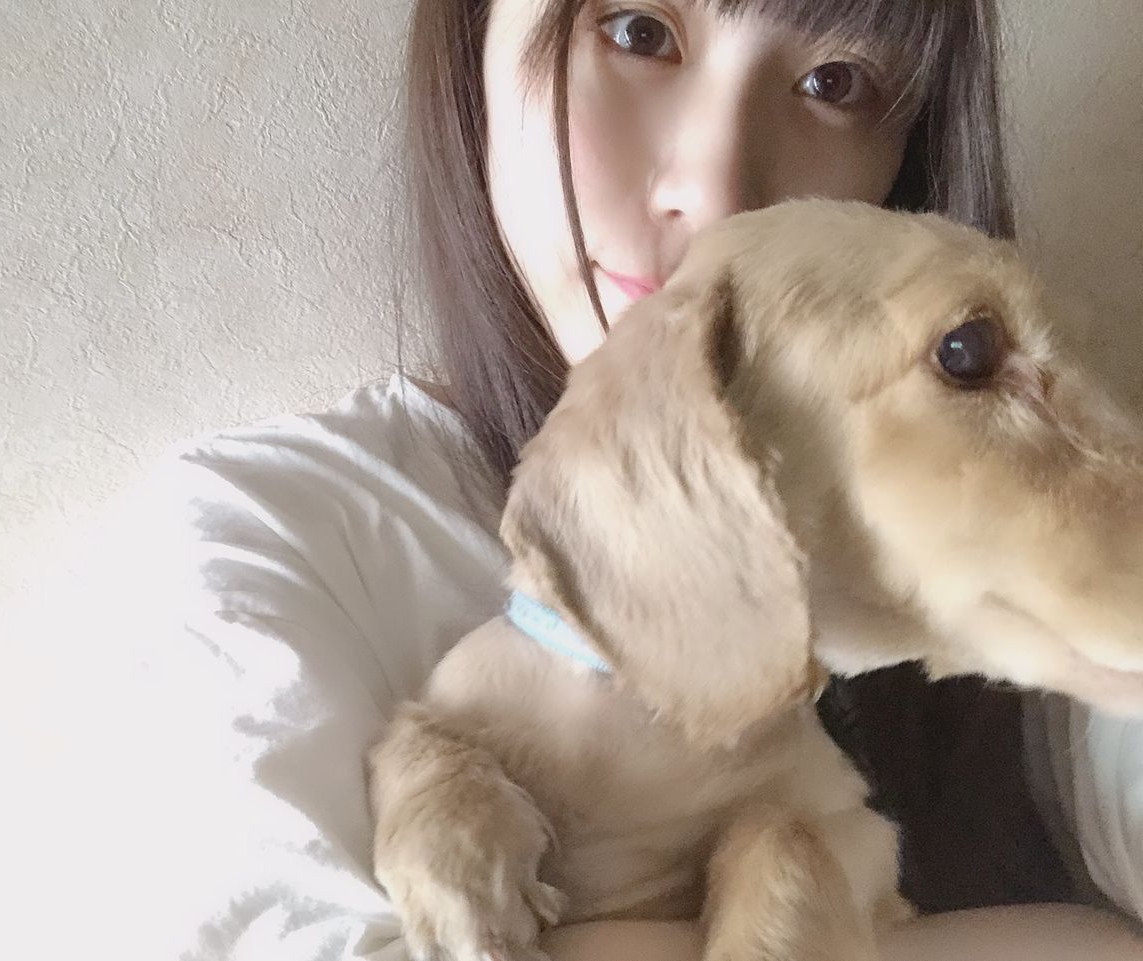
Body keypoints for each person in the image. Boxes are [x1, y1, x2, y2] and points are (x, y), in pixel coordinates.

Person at [91, 0, 1143, 958]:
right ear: (475, 37)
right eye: (639, 31)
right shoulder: (260, 540)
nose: (718, 193)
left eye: (835, 82)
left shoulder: (984, 542)